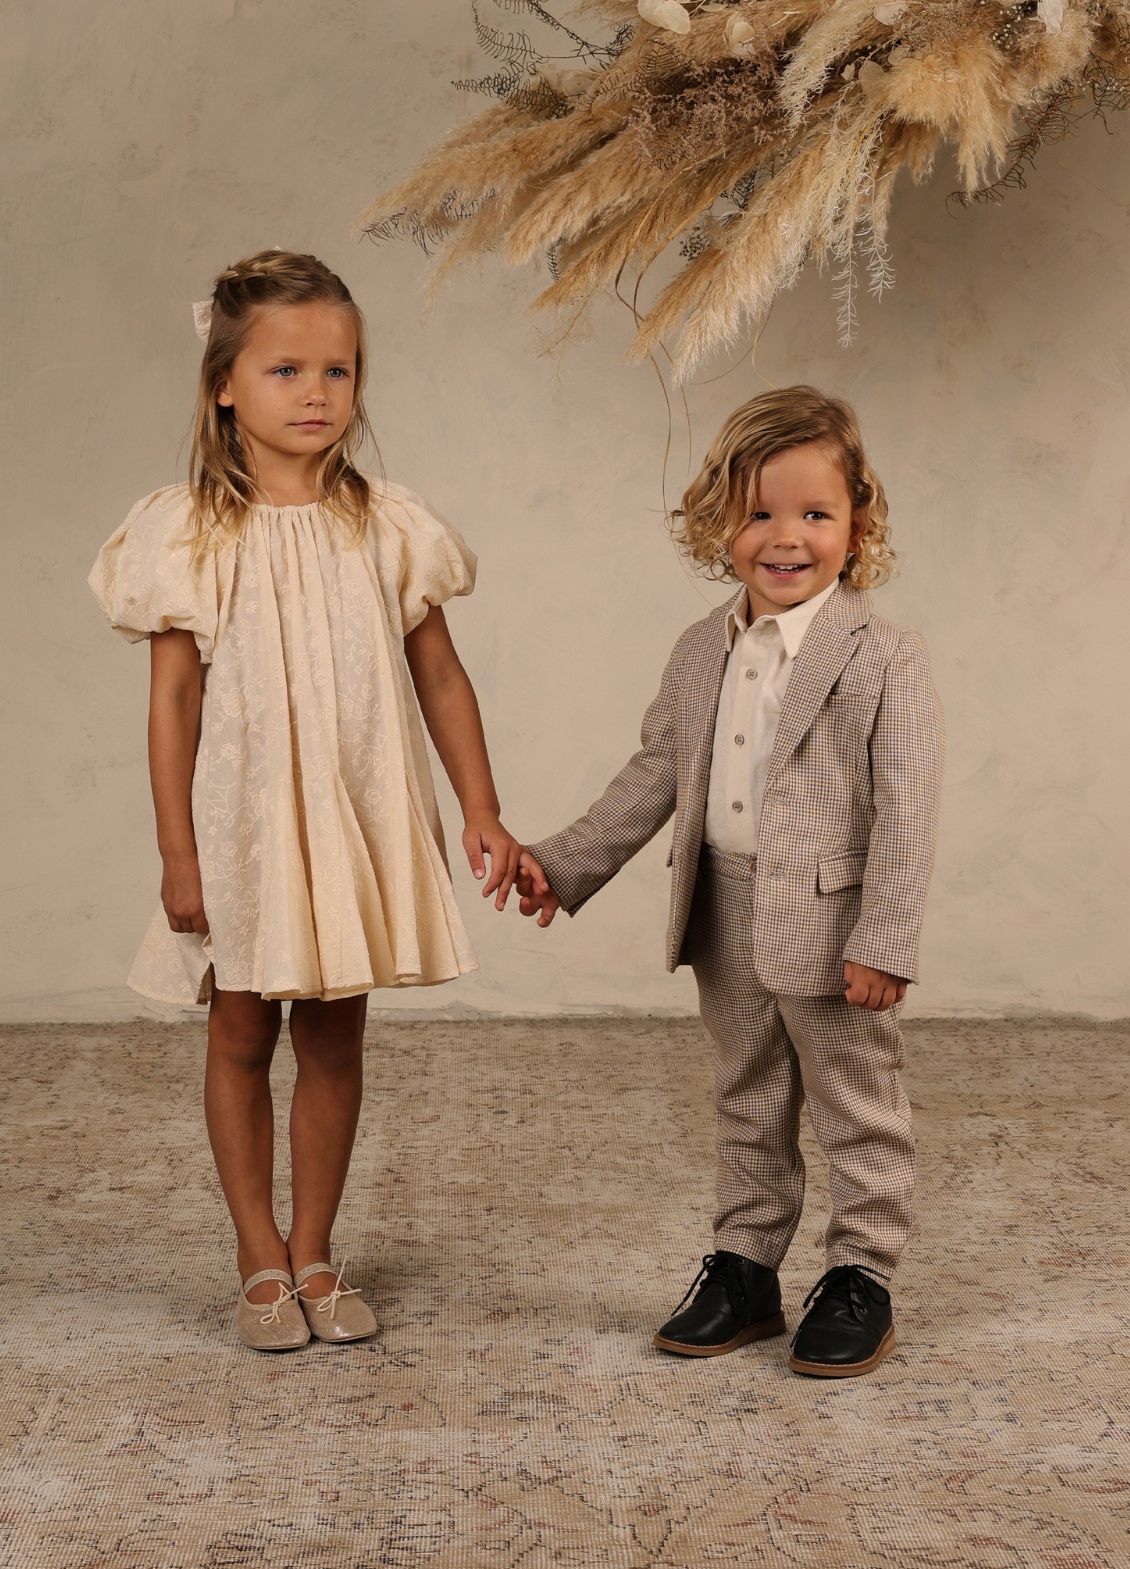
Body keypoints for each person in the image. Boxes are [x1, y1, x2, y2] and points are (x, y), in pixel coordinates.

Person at [89, 250, 522, 1351]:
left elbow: (440, 675)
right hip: (241, 827)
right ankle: (256, 1257)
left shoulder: (387, 523)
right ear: (224, 384)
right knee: (240, 1029)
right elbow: (173, 701)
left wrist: (479, 805)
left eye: (338, 369)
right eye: (286, 369)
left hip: (354, 818)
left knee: (334, 1034)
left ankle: (317, 1247)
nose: (317, 393)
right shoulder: (185, 528)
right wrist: (177, 853)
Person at [515, 387, 944, 1378]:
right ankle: (746, 1266)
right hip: (724, 908)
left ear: (856, 524)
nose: (784, 537)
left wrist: (884, 940)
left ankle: (858, 1274)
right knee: (746, 1097)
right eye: (758, 513)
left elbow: (908, 815)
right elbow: (654, 777)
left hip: (834, 926)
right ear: (718, 521)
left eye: (813, 514)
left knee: (854, 1102)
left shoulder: (883, 660)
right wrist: (561, 863)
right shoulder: (698, 650)